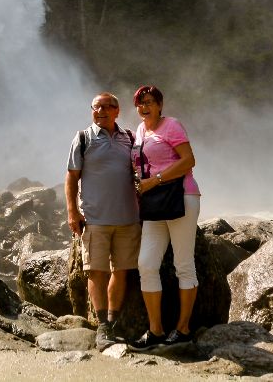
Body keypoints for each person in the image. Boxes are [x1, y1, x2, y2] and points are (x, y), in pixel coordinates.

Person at [65, 92, 141, 351]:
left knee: (121, 270)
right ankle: (103, 327)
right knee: (97, 271)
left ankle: (113, 322)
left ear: (117, 111)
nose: (101, 111)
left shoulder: (130, 137)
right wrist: (72, 211)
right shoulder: (83, 138)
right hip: (95, 218)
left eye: (107, 107)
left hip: (128, 218)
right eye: (96, 107)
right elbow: (71, 177)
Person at [129, 85, 201, 350]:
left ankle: (183, 329)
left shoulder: (171, 125)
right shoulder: (140, 130)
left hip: (181, 196)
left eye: (149, 102)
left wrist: (155, 180)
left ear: (160, 104)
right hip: (155, 204)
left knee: (183, 264)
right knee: (146, 264)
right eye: (140, 103)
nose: (144, 107)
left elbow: (189, 160)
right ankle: (156, 330)